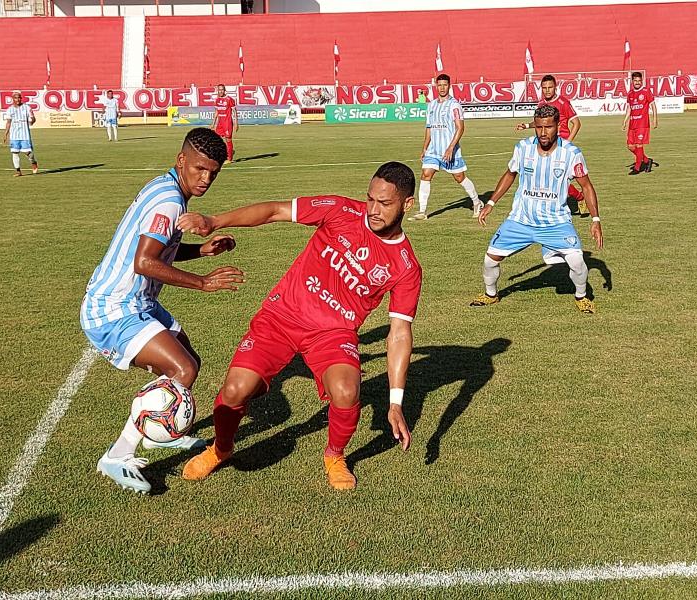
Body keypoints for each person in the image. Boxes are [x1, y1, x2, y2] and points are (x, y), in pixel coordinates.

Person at [178, 161, 423, 490]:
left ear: (407, 204)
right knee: (235, 389)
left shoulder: (406, 266)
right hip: (282, 317)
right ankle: (220, 449)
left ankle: (335, 456)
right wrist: (214, 220)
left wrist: (395, 403)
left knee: (347, 390)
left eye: (385, 203)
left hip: (332, 333)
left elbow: (399, 333)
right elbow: (276, 211)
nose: (373, 210)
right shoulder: (339, 210)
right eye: (370, 199)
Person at [81, 128, 245, 494]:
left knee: (189, 363)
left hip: (137, 302)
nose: (205, 179)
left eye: (213, 173)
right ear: (181, 160)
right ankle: (118, 456)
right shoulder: (169, 201)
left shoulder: (168, 188)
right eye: (200, 169)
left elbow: (162, 246)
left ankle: (158, 433)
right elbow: (144, 261)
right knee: (180, 368)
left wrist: (200, 251)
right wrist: (202, 282)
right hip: (113, 307)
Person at [470, 105, 603, 314]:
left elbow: (586, 186)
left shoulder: (571, 153)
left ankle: (582, 297)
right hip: (521, 220)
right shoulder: (523, 148)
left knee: (577, 261)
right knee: (490, 259)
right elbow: (510, 174)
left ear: (558, 126)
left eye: (548, 127)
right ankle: (490, 295)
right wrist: (491, 203)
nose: (543, 132)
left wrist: (595, 219)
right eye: (539, 127)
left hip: (556, 222)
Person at [411, 73, 482, 221]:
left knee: (459, 177)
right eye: (440, 85)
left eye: (445, 85)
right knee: (426, 174)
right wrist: (425, 147)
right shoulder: (431, 105)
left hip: (449, 150)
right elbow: (429, 128)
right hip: (433, 150)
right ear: (436, 86)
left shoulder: (454, 105)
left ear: (449, 86)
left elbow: (460, 128)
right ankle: (422, 211)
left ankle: (477, 202)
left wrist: (450, 148)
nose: (442, 88)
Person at [516, 75, 586, 213]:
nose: (547, 90)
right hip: (547, 144)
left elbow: (576, 123)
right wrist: (526, 125)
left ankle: (579, 197)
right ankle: (578, 197)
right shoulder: (541, 104)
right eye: (544, 88)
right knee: (549, 177)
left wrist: (568, 143)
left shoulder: (563, 102)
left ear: (555, 87)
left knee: (558, 177)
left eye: (550, 87)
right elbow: (539, 123)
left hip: (560, 143)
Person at [623, 72, 658, 175]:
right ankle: (647, 161)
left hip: (642, 123)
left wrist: (655, 119)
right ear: (632, 81)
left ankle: (637, 168)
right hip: (632, 124)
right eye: (635, 81)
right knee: (630, 146)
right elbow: (629, 108)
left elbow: (653, 105)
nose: (637, 82)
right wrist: (625, 121)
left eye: (639, 81)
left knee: (639, 145)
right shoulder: (630, 93)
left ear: (641, 81)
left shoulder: (646, 91)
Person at [2, 91, 38, 177]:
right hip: (14, 135)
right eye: (15, 98)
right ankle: (18, 171)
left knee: (28, 152)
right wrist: (6, 133)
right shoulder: (10, 109)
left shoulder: (26, 107)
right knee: (15, 152)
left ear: (21, 98)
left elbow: (33, 119)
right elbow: (8, 122)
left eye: (19, 98)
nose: (17, 99)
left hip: (24, 134)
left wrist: (32, 119)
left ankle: (33, 162)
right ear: (12, 99)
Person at [211, 84, 238, 163]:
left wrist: (236, 123)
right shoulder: (217, 100)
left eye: (222, 89)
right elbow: (216, 112)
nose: (221, 91)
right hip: (220, 124)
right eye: (219, 90)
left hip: (227, 123)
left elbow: (234, 111)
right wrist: (213, 124)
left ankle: (229, 158)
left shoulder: (229, 99)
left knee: (228, 140)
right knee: (215, 139)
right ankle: (224, 153)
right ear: (217, 91)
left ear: (224, 90)